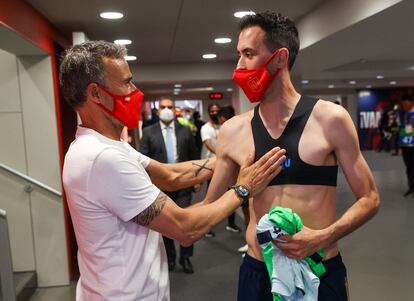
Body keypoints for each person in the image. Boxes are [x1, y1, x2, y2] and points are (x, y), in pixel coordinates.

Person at [59, 40, 286, 301]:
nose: (135, 90)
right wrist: (243, 188)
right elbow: (184, 229)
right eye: (126, 82)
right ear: (96, 94)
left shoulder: (106, 146)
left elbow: (171, 176)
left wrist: (227, 161)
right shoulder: (102, 158)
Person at [203, 12, 379, 301]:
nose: (239, 65)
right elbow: (208, 210)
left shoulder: (331, 119)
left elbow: (370, 198)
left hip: (319, 268)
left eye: (248, 54)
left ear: (280, 58)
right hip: (258, 272)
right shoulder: (233, 131)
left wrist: (323, 236)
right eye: (238, 54)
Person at [139, 96, 199, 274]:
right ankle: (171, 256)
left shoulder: (185, 131)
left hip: (183, 184)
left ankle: (186, 257)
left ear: (175, 110)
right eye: (163, 107)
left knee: (187, 221)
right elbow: (143, 158)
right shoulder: (149, 132)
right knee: (165, 224)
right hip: (159, 187)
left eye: (170, 107)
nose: (166, 109)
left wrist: (197, 180)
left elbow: (194, 156)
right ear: (158, 111)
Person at [217, 106, 242, 234]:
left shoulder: (229, 129)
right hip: (233, 171)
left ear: (222, 118)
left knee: (235, 199)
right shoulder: (242, 127)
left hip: (238, 173)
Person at [200, 103, 221, 237]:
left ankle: (231, 223)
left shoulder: (224, 126)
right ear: (209, 113)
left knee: (230, 192)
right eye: (212, 110)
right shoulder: (205, 128)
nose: (214, 112)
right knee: (211, 196)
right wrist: (223, 154)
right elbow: (208, 145)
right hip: (211, 165)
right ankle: (207, 227)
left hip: (225, 165)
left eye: (216, 110)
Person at [398, 94, 414, 197]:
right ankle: (411, 187)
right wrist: (400, 145)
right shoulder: (404, 114)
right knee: (409, 167)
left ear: (411, 103)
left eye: (406, 104)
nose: (404, 106)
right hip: (405, 145)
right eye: (403, 105)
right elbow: (404, 130)